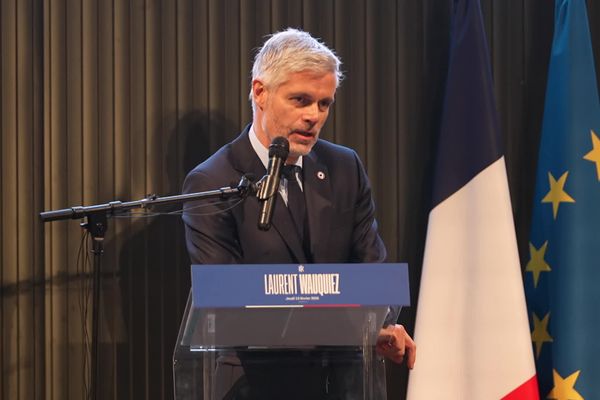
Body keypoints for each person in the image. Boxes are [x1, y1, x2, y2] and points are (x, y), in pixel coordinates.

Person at [182, 28, 415, 399]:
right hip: (255, 385)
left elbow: (371, 266)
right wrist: (347, 322)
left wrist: (383, 324)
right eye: (301, 100)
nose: (313, 116)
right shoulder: (214, 180)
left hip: (344, 382)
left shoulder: (345, 167)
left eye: (324, 104)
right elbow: (225, 301)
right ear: (260, 92)